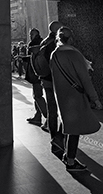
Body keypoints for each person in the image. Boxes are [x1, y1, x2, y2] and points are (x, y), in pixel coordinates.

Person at [49, 26, 103, 172]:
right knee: (75, 130)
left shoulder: (54, 54)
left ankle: (65, 151)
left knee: (68, 124)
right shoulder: (75, 55)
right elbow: (85, 79)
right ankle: (71, 161)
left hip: (61, 95)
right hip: (75, 96)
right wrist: (95, 99)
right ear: (70, 38)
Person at [39, 21, 65, 152]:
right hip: (56, 81)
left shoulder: (44, 42)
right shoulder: (56, 43)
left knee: (51, 110)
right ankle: (58, 139)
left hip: (45, 80)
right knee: (64, 110)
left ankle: (54, 137)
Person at [25, 28, 47, 127]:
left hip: (36, 74)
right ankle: (37, 116)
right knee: (37, 95)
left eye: (31, 34)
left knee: (37, 96)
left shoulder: (34, 44)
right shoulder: (42, 42)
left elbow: (33, 59)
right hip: (40, 73)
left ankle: (47, 116)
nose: (30, 36)